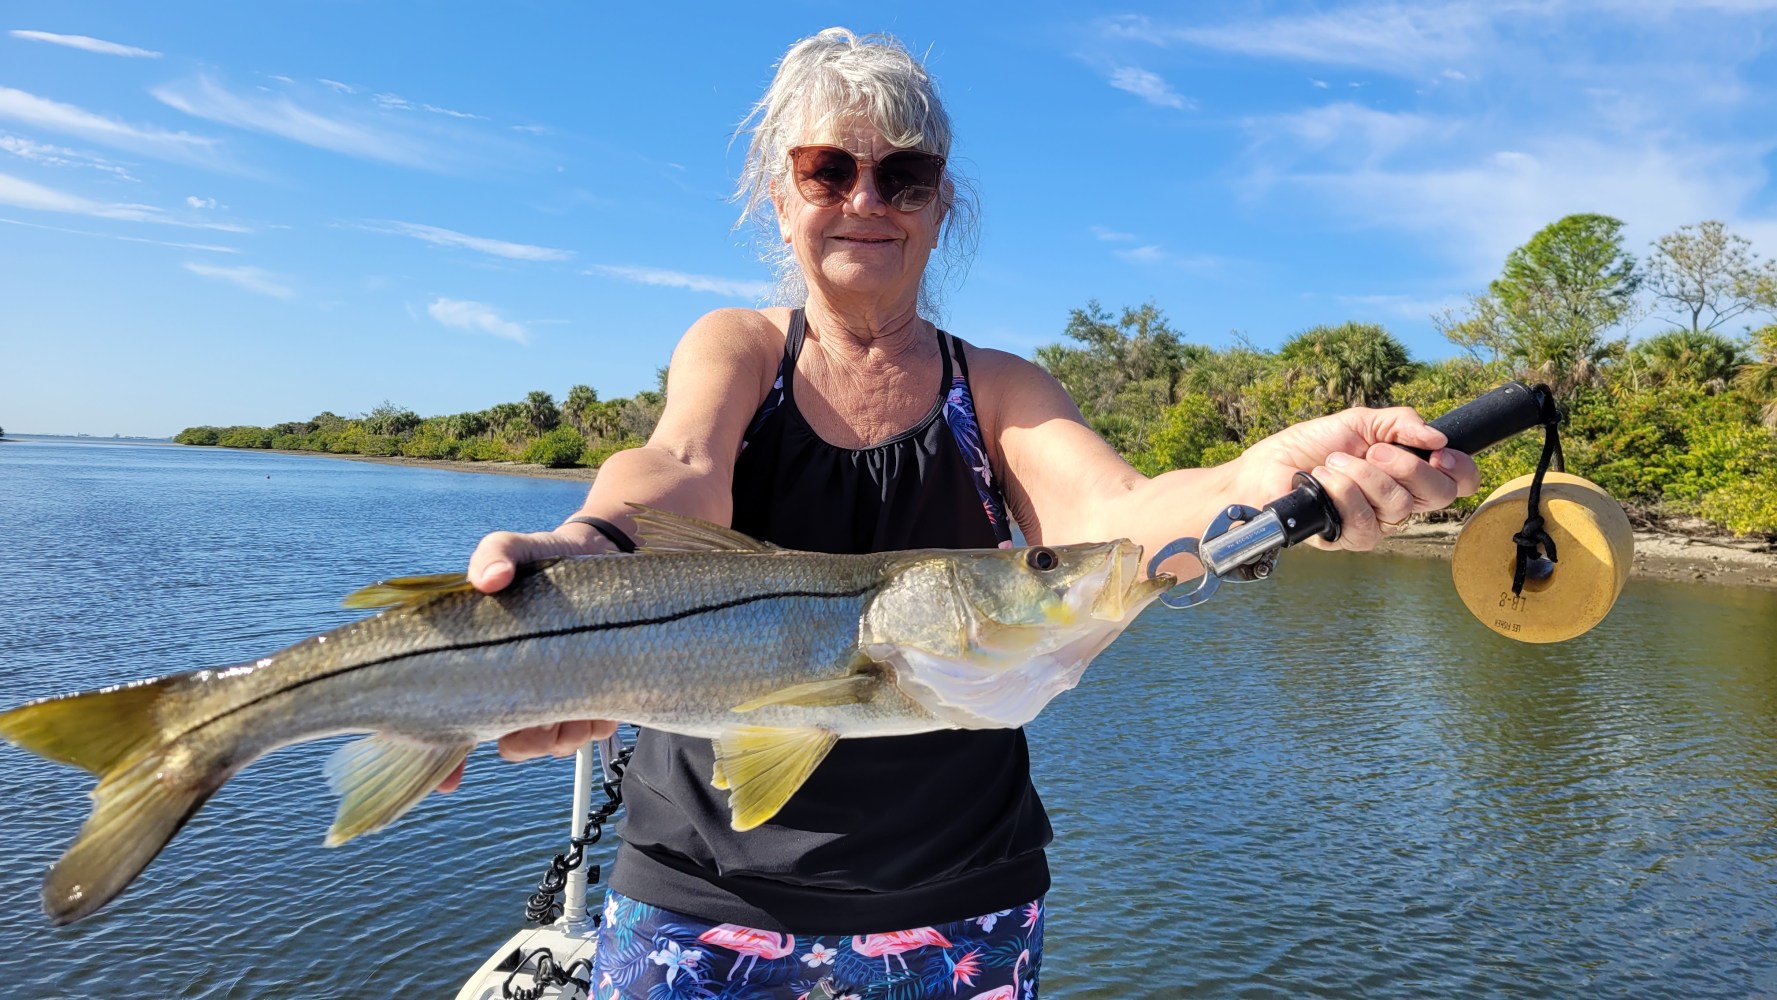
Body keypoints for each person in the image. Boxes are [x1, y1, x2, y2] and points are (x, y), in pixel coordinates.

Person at [440, 27, 1480, 999]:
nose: (866, 199)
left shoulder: (998, 391)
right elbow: (672, 468)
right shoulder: (739, 350)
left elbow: (1116, 515)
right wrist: (584, 547)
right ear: (780, 194)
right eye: (827, 170)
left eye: (904, 175)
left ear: (942, 204)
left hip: (959, 909)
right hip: (701, 898)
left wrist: (1258, 477)